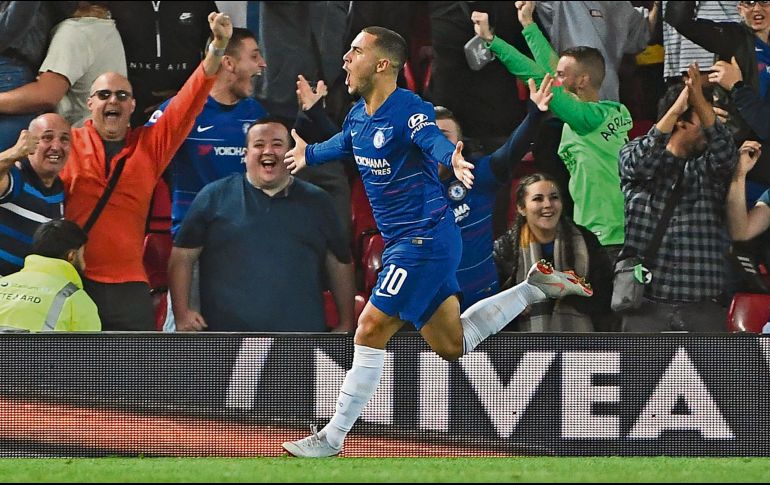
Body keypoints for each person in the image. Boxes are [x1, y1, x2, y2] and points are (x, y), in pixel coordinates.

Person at [281, 26, 592, 458]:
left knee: (370, 328)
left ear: (382, 63)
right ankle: (531, 290)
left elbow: (430, 138)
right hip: (409, 243)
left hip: (423, 240)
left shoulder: (409, 109)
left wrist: (453, 156)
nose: (346, 59)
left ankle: (332, 438)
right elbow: (345, 143)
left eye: (355, 51)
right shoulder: (358, 114)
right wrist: (307, 154)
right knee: (452, 345)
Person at [60, 11, 233, 331]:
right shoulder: (67, 143)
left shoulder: (149, 146)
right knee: (73, 379)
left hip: (129, 288)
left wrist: (218, 47)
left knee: (135, 379)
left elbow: (189, 100)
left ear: (131, 106)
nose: (113, 100)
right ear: (89, 104)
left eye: (122, 95)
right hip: (74, 282)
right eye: (104, 95)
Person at [472, 3, 632, 264]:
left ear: (582, 81)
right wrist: (528, 25)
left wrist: (492, 41)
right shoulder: (610, 113)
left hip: (605, 236)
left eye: (561, 75)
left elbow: (536, 74)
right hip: (606, 227)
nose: (554, 77)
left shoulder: (586, 119)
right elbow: (549, 68)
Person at [167, 118, 355, 333]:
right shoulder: (213, 196)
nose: (268, 151)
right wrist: (182, 314)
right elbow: (182, 256)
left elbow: (340, 263)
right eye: (258, 145)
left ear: (290, 153)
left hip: (301, 341)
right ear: (245, 155)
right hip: (227, 342)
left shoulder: (319, 201)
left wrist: (346, 322)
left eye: (277, 144)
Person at [146, 27, 267, 332]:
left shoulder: (257, 115)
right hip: (194, 250)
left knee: (243, 346)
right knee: (185, 341)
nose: (262, 65)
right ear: (228, 62)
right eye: (254, 56)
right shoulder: (180, 111)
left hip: (246, 247)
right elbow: (145, 163)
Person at [618, 66, 737, 332]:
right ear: (680, 122)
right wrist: (681, 104)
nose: (711, 127)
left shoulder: (709, 167)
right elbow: (640, 163)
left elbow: (726, 153)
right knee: (640, 376)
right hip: (645, 306)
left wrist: (699, 101)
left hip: (702, 308)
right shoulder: (633, 154)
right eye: (703, 118)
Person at [434, 75, 549, 310]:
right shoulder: (404, 187)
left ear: (460, 145)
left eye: (445, 135)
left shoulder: (478, 176)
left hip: (483, 303)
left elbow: (511, 151)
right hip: (432, 306)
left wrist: (534, 113)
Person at [493, 173, 613, 332]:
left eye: (554, 197)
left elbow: (604, 295)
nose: (548, 204)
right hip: (524, 348)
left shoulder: (587, 241)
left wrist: (568, 294)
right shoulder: (505, 249)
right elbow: (494, 307)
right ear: (521, 208)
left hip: (581, 348)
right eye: (538, 199)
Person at [0, 1, 126, 127]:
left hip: (85, 140)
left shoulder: (75, 31)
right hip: (104, 138)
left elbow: (45, 95)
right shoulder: (103, 26)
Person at [108, 1, 218, 126]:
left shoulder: (200, 4)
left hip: (187, 107)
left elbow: (219, 51)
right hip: (130, 109)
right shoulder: (115, 5)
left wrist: (182, 97)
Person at [534, 0, 659, 102]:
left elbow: (643, 31)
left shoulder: (620, 5)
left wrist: (658, 4)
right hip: (568, 101)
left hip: (607, 102)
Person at [0, 113, 71, 276]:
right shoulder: (15, 176)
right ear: (29, 143)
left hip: (24, 294)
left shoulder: (59, 190)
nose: (56, 146)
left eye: (64, 139)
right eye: (47, 137)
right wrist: (14, 153)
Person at [0, 219, 100, 332]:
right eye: (82, 254)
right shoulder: (76, 300)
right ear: (71, 256)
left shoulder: (2, 284)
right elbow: (89, 347)